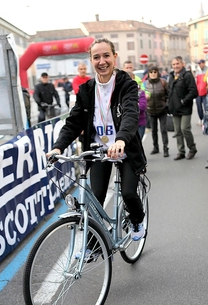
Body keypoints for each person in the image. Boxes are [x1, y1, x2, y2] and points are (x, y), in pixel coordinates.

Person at [47, 38, 147, 242]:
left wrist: (121, 140)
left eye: (106, 55)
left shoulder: (126, 84)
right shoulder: (86, 90)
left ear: (114, 57)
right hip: (98, 151)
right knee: (95, 198)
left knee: (128, 194)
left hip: (124, 148)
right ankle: (93, 246)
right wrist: (58, 148)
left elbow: (130, 114)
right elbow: (74, 122)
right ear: (91, 60)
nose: (102, 61)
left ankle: (137, 219)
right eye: (96, 57)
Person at [168, 56, 198, 160]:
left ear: (182, 64)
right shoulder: (171, 76)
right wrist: (169, 105)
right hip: (175, 108)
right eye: (174, 64)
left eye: (177, 64)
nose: (175, 66)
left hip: (185, 107)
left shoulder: (187, 75)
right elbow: (170, 92)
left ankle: (192, 148)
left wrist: (184, 100)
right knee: (177, 131)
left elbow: (194, 91)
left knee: (185, 129)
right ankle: (181, 151)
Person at [145, 64, 169, 157]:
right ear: (148, 73)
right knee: (154, 130)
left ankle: (165, 148)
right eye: (151, 72)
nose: (153, 73)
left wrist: (166, 105)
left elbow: (168, 95)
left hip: (162, 110)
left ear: (158, 72)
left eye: (155, 71)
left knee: (163, 130)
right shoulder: (146, 83)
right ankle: (156, 147)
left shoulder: (163, 82)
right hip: (150, 110)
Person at [127, 70, 147, 140]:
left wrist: (130, 106)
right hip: (127, 125)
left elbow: (142, 107)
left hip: (140, 123)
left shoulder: (140, 92)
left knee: (138, 145)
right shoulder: (121, 93)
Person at [195, 59, 208, 126]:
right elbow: (196, 82)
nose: (200, 65)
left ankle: (206, 119)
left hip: (206, 93)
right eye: (199, 64)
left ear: (204, 63)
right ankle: (201, 118)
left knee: (206, 107)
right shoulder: (197, 72)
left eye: (201, 63)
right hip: (198, 93)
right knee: (199, 107)